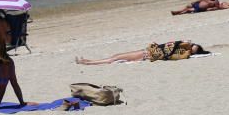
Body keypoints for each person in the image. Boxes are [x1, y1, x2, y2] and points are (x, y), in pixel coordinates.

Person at [76, 40, 210, 65]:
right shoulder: (180, 48)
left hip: (145, 55)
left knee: (114, 58)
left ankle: (87, 62)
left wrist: (187, 47)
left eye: (193, 49)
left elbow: (170, 54)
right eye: (192, 46)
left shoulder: (182, 54)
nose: (191, 47)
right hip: (146, 52)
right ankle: (88, 61)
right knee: (116, 56)